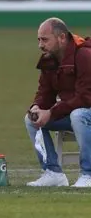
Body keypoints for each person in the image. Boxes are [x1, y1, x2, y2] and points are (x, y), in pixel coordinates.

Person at [25, 18, 91, 188]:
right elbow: (45, 92)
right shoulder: (49, 60)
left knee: (78, 115)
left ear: (62, 37)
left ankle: (88, 174)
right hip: (73, 112)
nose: (40, 45)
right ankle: (53, 172)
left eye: (45, 39)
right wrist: (36, 107)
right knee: (31, 119)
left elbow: (85, 98)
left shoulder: (84, 55)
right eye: (39, 40)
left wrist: (52, 112)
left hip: (86, 112)